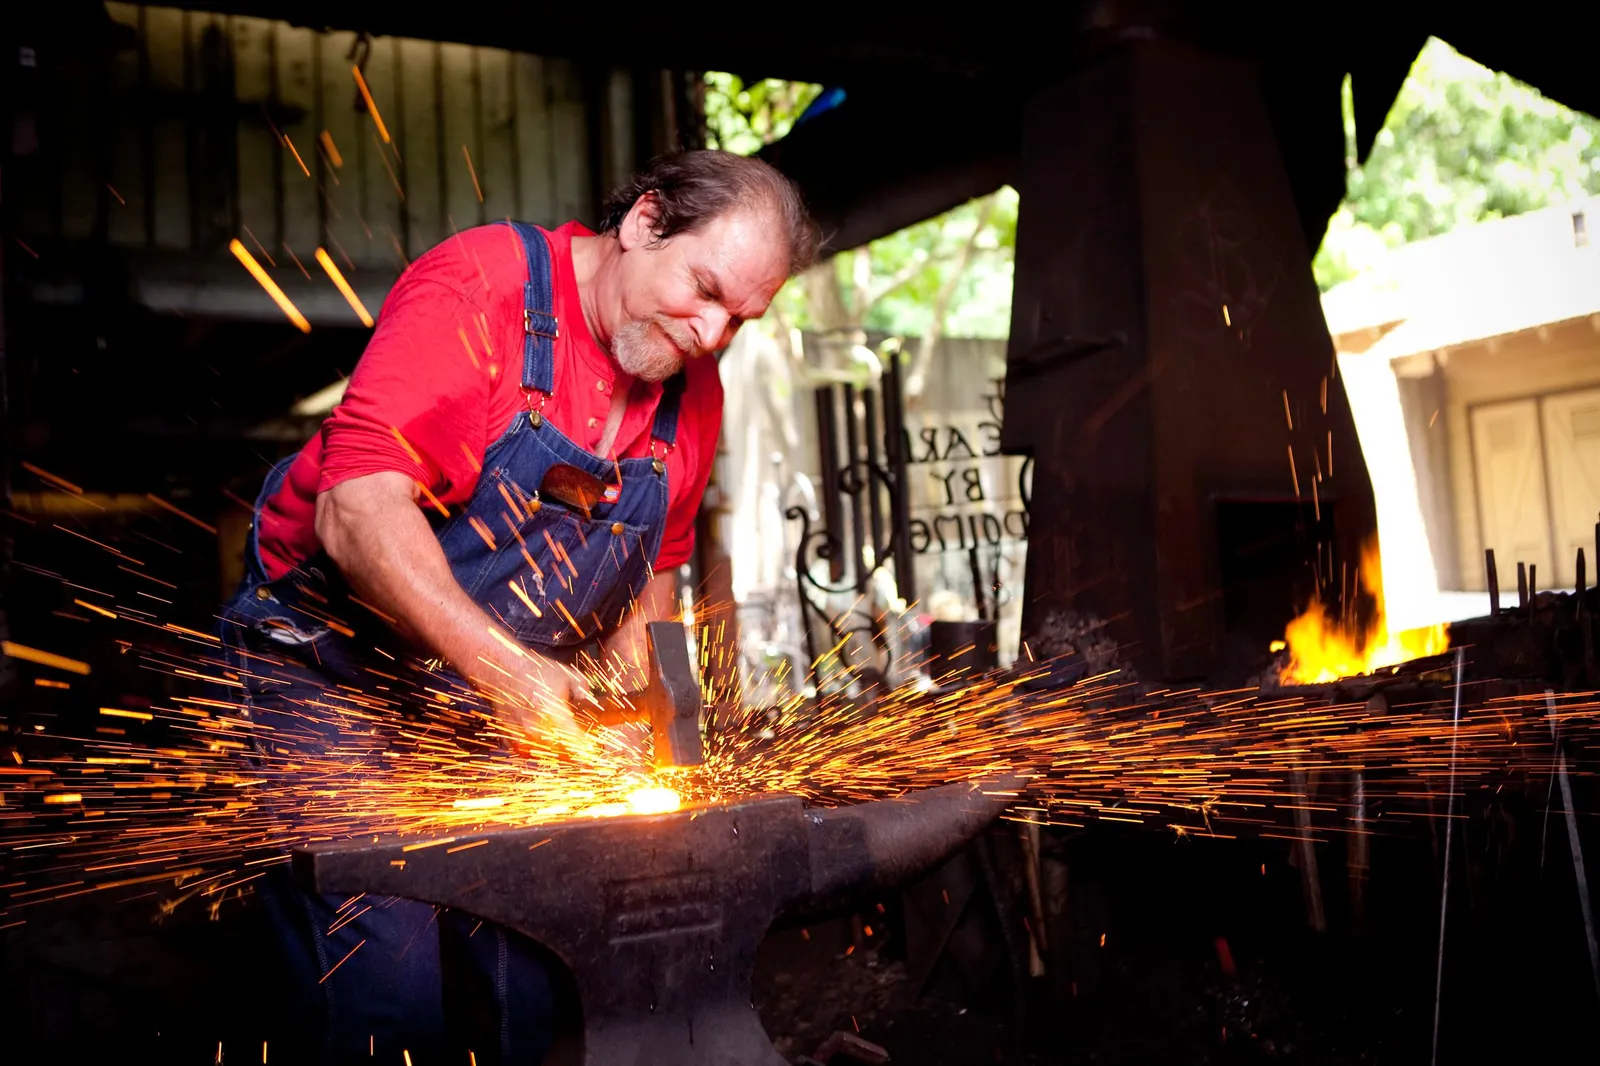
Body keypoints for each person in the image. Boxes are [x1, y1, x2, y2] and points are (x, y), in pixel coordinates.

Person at [217, 150, 819, 1063]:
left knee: (536, 959)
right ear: (645, 222)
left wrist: (654, 734)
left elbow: (649, 579)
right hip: (332, 667)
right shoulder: (480, 291)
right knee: (389, 975)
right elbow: (357, 511)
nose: (710, 334)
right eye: (703, 290)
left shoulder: (694, 393)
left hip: (500, 688)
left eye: (740, 318)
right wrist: (512, 677)